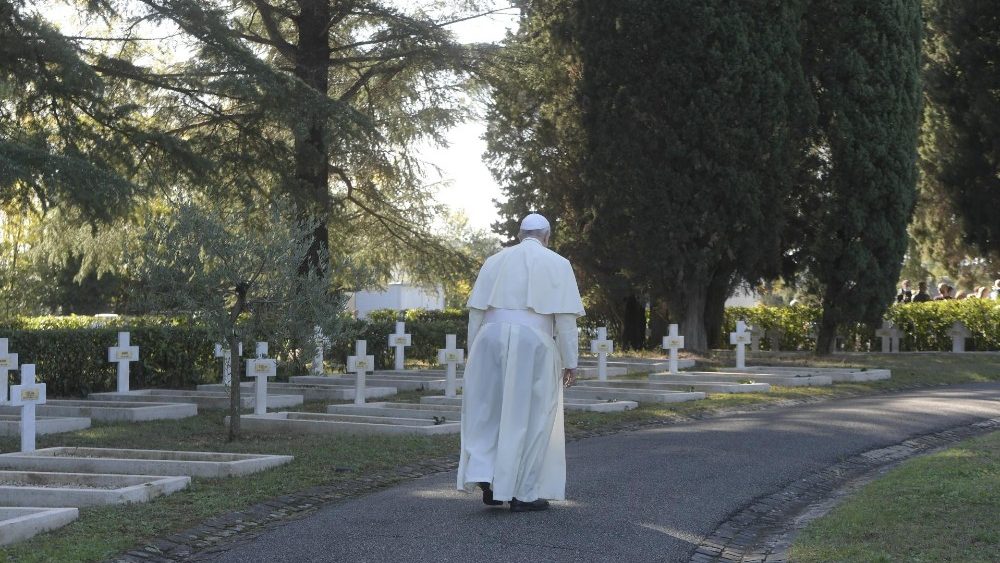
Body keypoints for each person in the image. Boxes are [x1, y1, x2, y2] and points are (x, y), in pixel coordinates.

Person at [457, 213, 585, 512]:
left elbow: (476, 312)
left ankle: (487, 477)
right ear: (547, 236)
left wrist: (472, 351)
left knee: (488, 411)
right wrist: (571, 361)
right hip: (534, 343)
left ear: (519, 235)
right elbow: (565, 321)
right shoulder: (558, 263)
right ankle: (522, 493)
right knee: (529, 416)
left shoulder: (493, 261)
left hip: (488, 340)